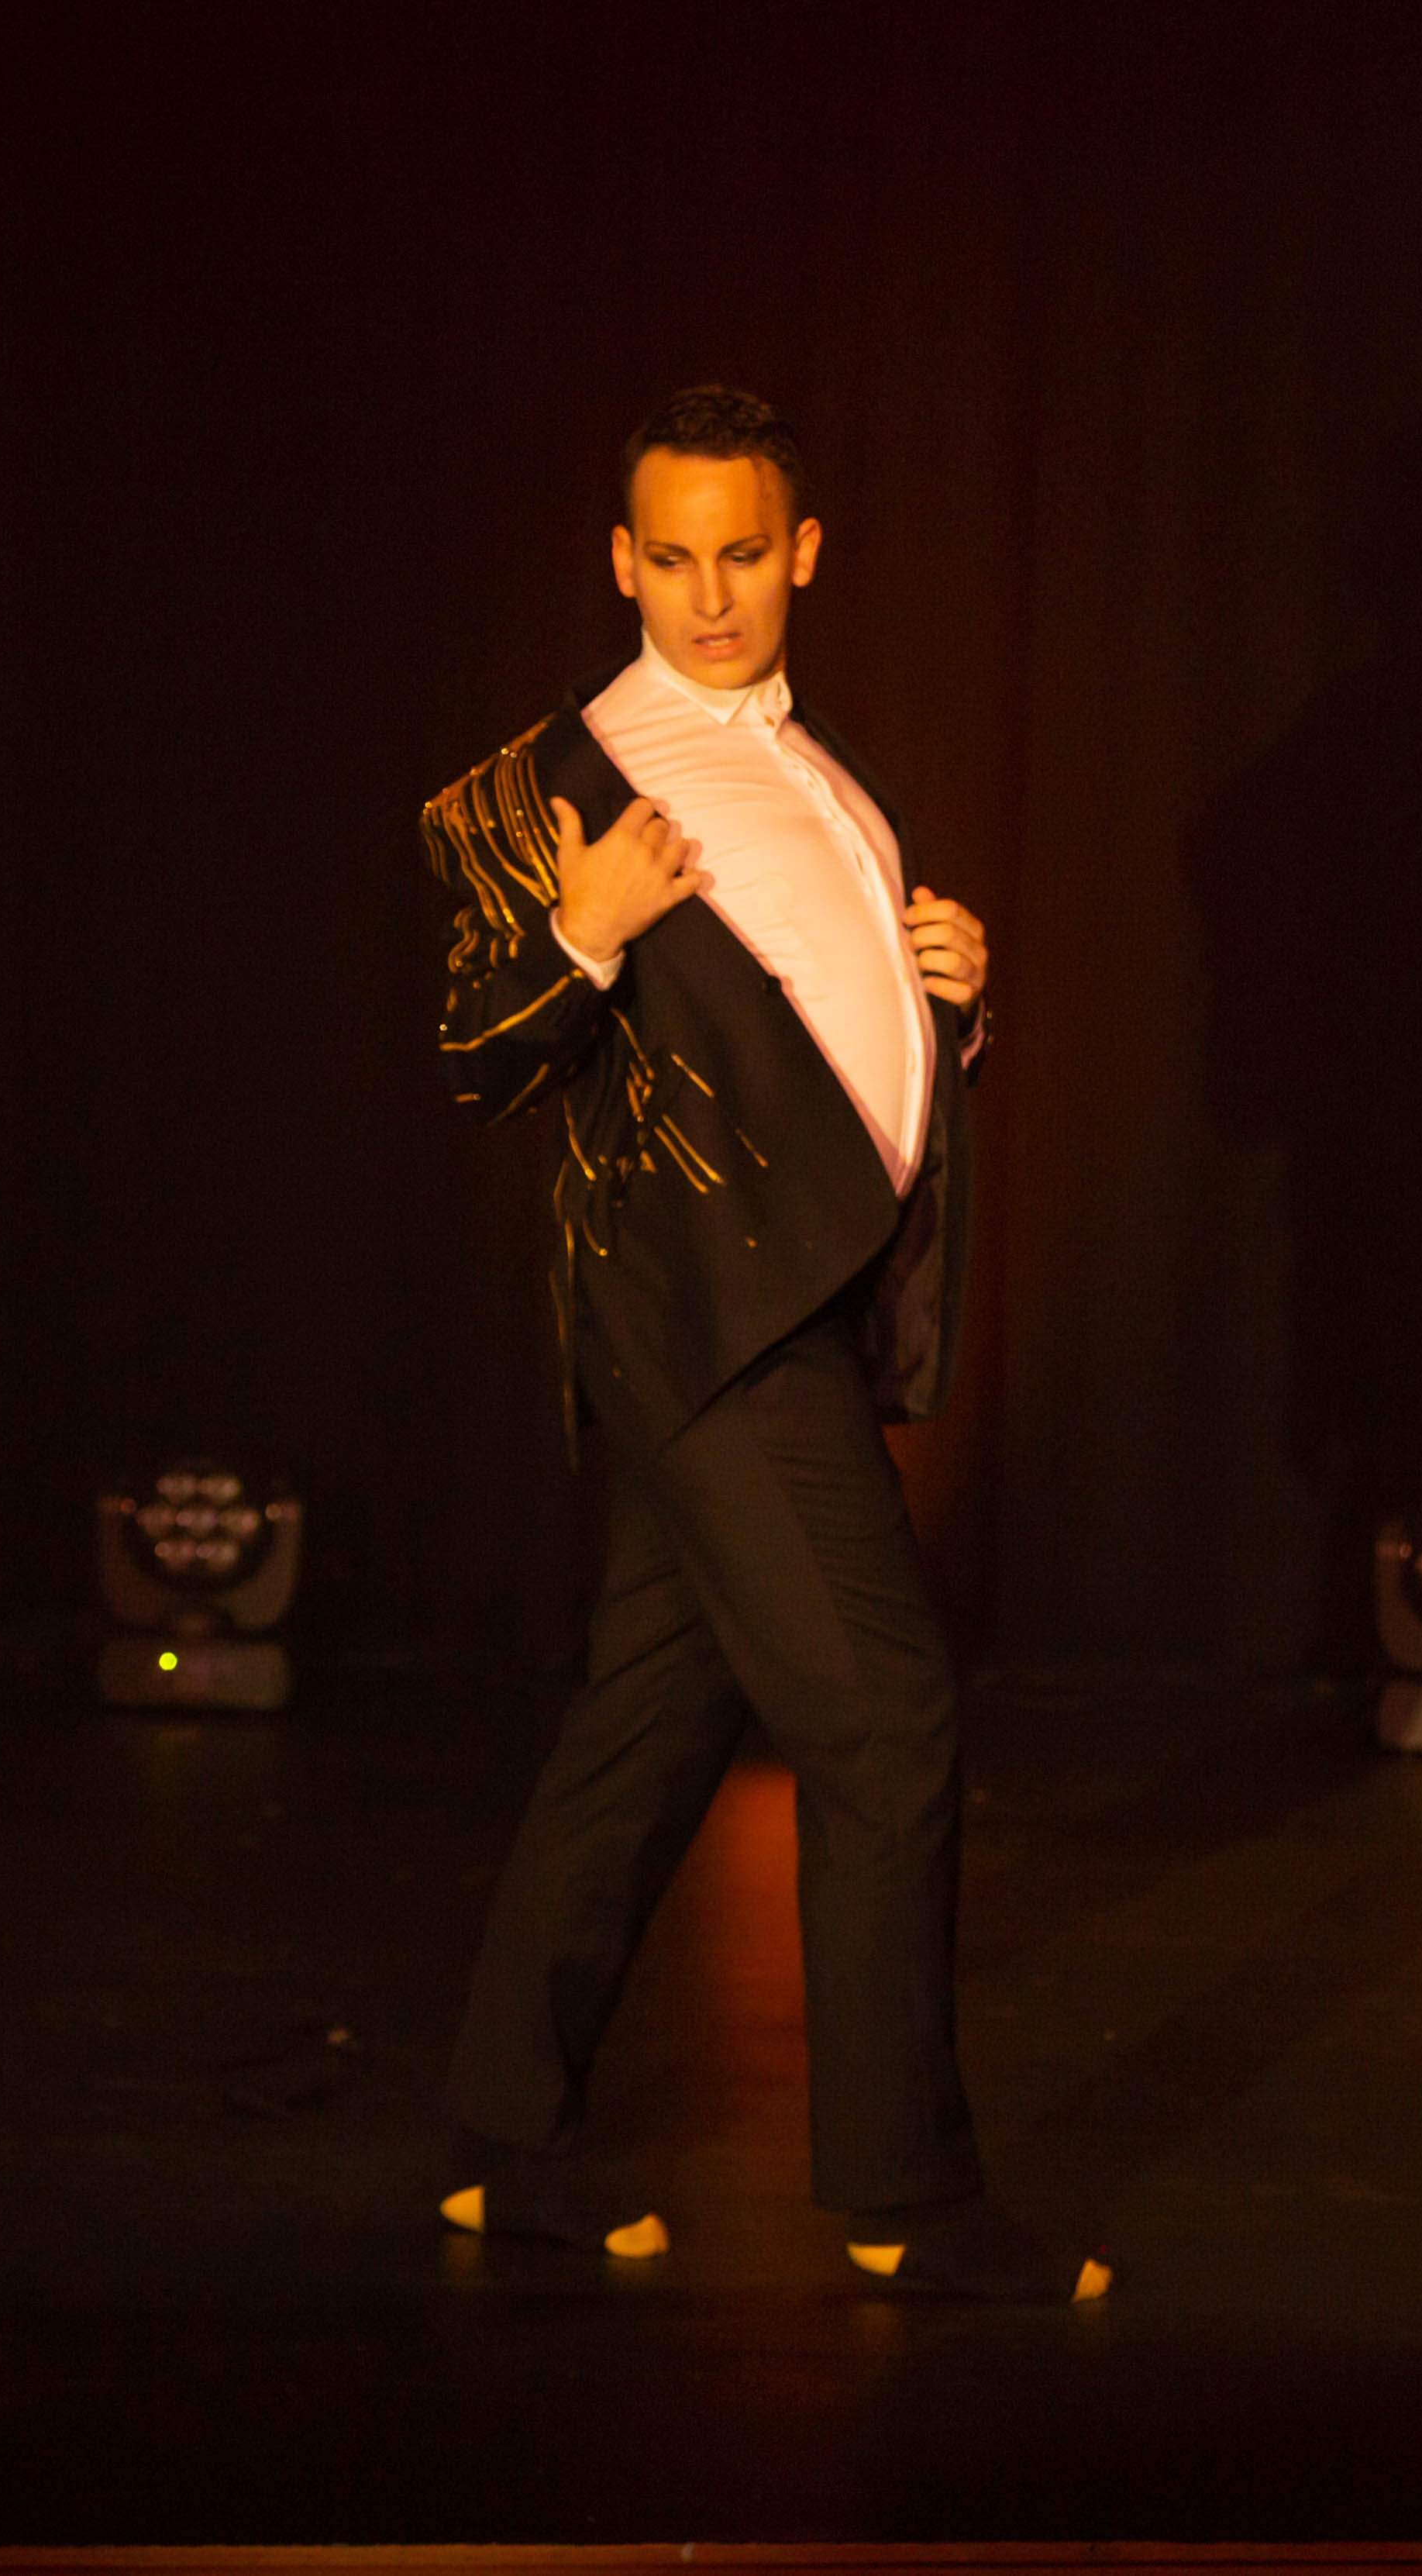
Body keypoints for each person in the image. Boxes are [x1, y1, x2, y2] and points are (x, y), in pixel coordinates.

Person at [418, 385, 1105, 2303]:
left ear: (801, 554)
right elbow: (474, 1057)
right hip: (701, 1320)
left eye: (742, 554)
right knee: (887, 1720)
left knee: (647, 1723)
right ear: (620, 563)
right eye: (672, 558)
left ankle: (500, 2144)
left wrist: (949, 1001)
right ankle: (907, 2202)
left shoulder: (831, 774)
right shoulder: (551, 783)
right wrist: (580, 933)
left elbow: (805, 1035)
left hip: (797, 1301)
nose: (708, 596)